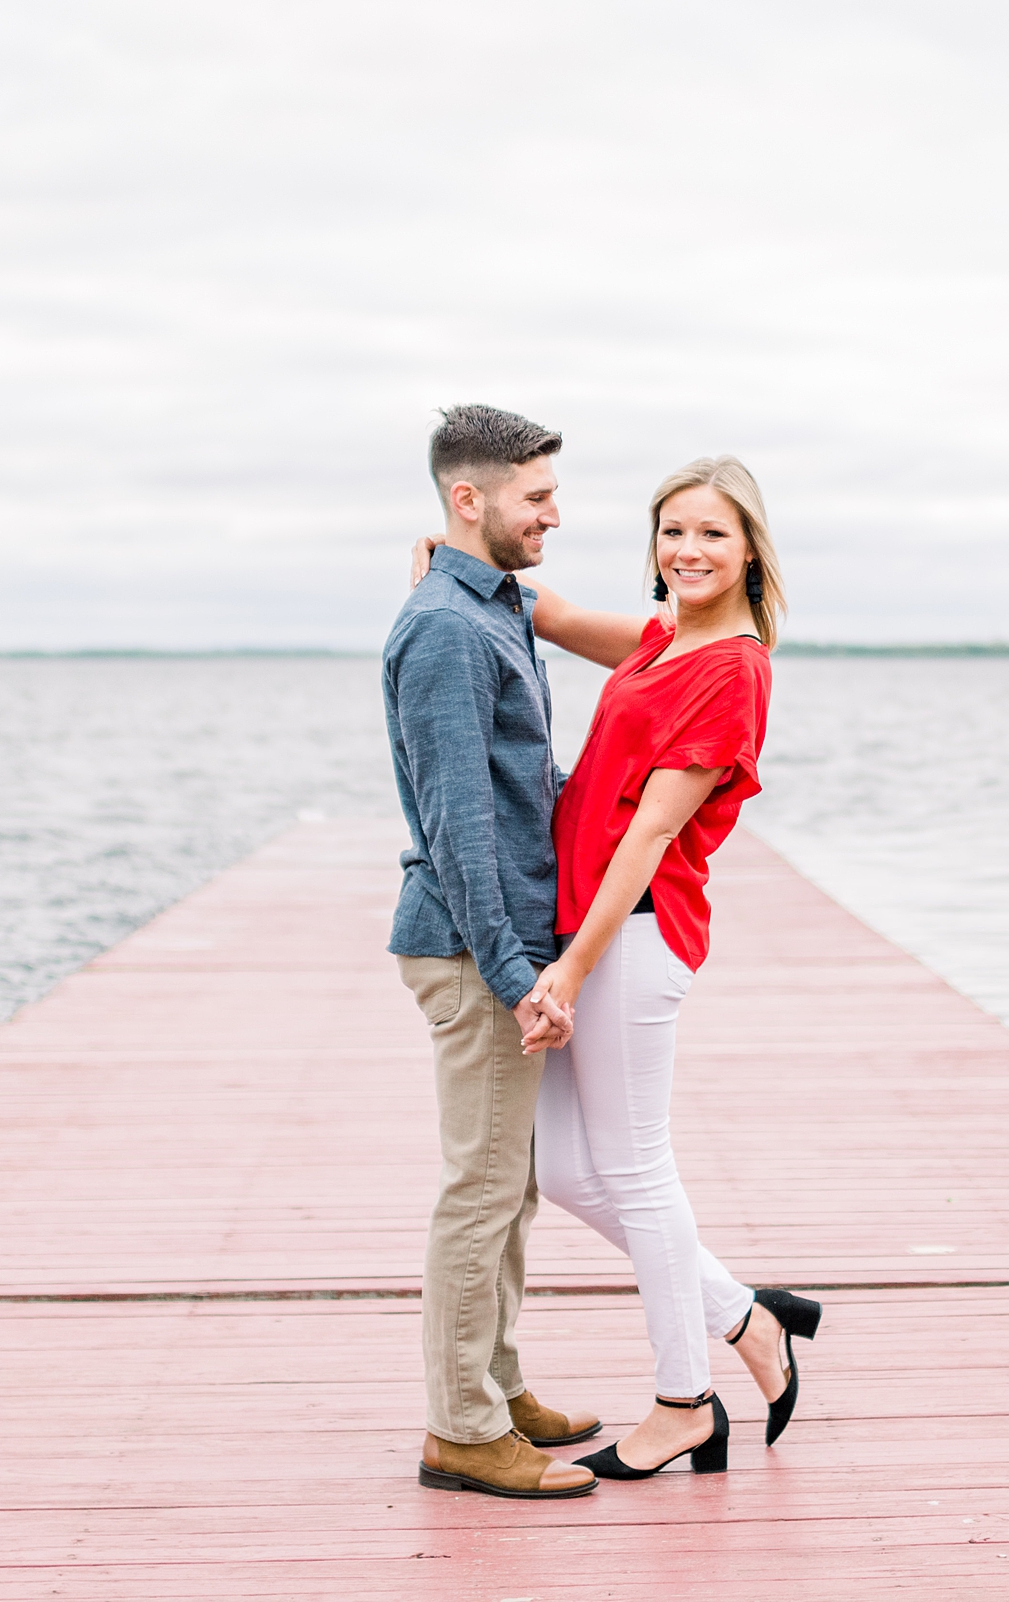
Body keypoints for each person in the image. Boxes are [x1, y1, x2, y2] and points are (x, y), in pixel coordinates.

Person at [411, 454, 820, 1482]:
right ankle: (744, 1317)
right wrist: (452, 560)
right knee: (562, 1167)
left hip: (632, 933)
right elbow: (545, 614)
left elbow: (647, 835)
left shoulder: (733, 668)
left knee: (636, 1169)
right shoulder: (660, 642)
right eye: (672, 531)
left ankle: (686, 1399)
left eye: (712, 534)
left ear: (751, 552)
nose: (688, 550)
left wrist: (568, 971)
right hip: (580, 932)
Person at [382, 404, 599, 1501]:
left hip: (503, 941)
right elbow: (460, 823)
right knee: (479, 1190)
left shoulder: (488, 603)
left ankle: (495, 1382)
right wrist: (520, 979)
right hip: (475, 949)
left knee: (509, 1187)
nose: (555, 516)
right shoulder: (447, 632)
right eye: (536, 498)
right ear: (468, 499)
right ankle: (460, 1427)